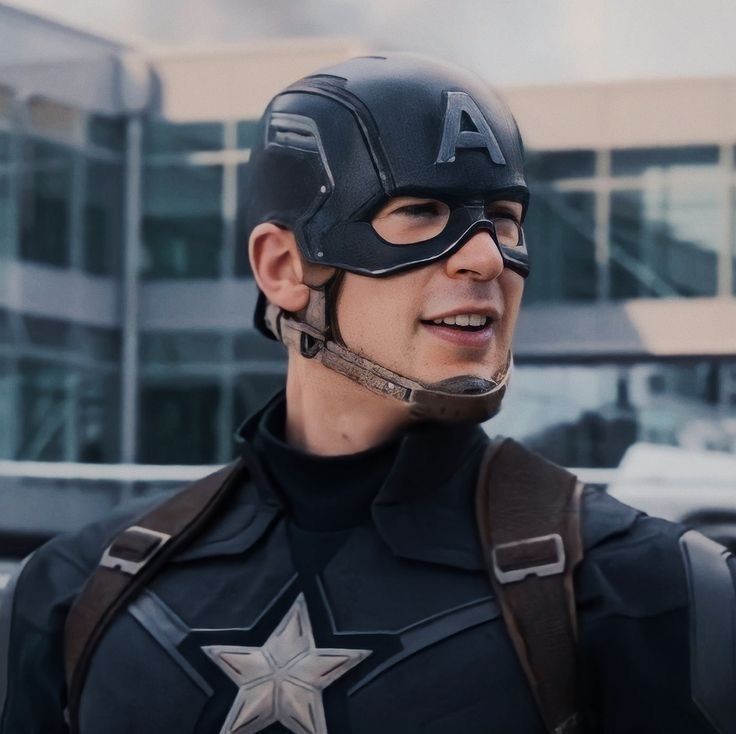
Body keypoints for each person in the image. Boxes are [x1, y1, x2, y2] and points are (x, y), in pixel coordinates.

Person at [1, 52, 734, 734]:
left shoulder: (653, 593)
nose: (486, 257)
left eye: (504, 220)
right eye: (419, 212)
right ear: (284, 265)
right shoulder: (79, 591)